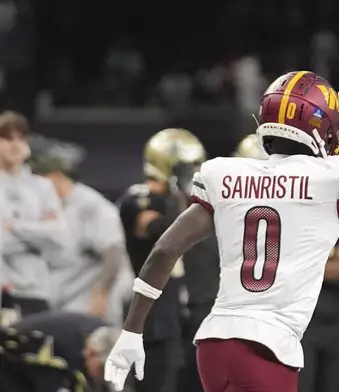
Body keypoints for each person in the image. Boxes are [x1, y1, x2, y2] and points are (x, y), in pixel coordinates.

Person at [104, 38, 339, 392]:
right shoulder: (331, 179)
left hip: (213, 345)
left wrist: (132, 330)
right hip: (267, 348)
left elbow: (164, 251)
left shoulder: (225, 174)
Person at [117, 128, 207, 392]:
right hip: (154, 315)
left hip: (186, 314)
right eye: (188, 167)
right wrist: (180, 194)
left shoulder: (185, 202)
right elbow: (162, 231)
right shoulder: (139, 199)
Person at [29, 136, 133, 325]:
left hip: (93, 299)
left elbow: (113, 252)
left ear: (55, 176)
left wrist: (100, 294)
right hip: (63, 300)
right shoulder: (47, 208)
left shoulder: (90, 206)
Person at [0, 111, 68, 316]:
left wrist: (14, 227)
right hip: (4, 288)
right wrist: (37, 232)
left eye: (21, 138)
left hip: (36, 290)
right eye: (7, 138)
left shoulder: (43, 187)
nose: (15, 145)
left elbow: (59, 237)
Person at [298, 222, 339, 392]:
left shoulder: (335, 221)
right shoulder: (298, 219)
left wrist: (304, 267)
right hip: (302, 321)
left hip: (337, 318)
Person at [5, 311, 120, 391]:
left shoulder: (105, 334)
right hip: (15, 360)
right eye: (101, 371)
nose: (103, 377)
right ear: (91, 354)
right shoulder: (66, 352)